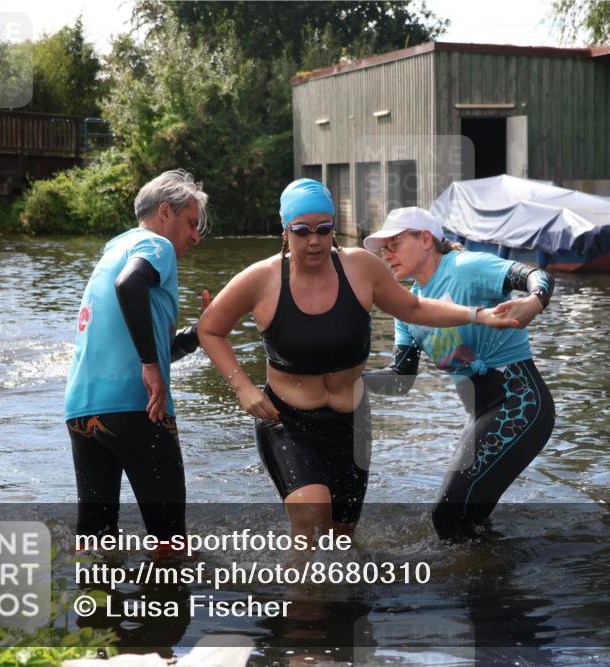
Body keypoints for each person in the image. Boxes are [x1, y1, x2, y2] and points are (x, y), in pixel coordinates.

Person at [197, 179, 519, 541]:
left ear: (334, 227)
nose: (314, 240)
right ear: (285, 232)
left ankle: (341, 596)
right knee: (311, 521)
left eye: (324, 229)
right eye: (302, 231)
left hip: (351, 425)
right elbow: (209, 329)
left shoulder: (361, 268)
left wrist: (478, 315)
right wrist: (242, 387)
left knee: (341, 537)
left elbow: (413, 307)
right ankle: (301, 597)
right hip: (287, 421)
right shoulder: (262, 279)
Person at [362, 207, 556, 540]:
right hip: (480, 414)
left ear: (425, 239)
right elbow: (400, 379)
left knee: (446, 516)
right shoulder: (406, 309)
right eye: (383, 249)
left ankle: (481, 584)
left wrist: (534, 302)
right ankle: (494, 579)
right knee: (466, 516)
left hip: (521, 403)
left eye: (394, 243)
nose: (387, 255)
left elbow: (537, 277)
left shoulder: (465, 268)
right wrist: (346, 378)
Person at [64, 169, 209, 543]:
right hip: (137, 408)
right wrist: (150, 366)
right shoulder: (156, 246)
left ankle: (94, 601)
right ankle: (168, 599)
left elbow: (147, 342)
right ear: (165, 212)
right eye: (191, 224)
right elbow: (129, 284)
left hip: (83, 411)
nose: (195, 236)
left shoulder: (115, 249)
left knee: (95, 540)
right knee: (170, 541)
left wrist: (197, 335)